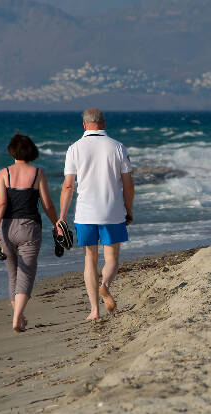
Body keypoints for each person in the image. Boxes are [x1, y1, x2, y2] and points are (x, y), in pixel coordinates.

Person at [58, 109, 134, 321]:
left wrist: (61, 216)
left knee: (89, 260)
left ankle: (94, 311)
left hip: (85, 213)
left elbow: (67, 186)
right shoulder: (117, 147)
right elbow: (128, 184)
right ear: (103, 123)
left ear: (84, 125)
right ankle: (105, 285)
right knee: (111, 258)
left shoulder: (74, 148)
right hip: (112, 211)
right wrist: (129, 209)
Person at [0, 133, 59, 333]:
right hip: (29, 227)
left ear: (12, 151)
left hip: (6, 228)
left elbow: (1, 203)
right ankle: (17, 316)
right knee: (27, 273)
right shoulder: (38, 173)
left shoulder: (4, 173)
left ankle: (18, 315)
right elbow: (47, 205)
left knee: (12, 273)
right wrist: (57, 224)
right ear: (31, 151)